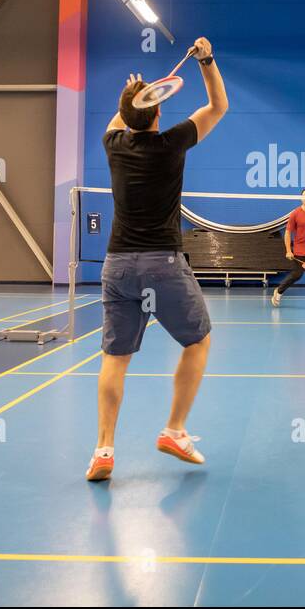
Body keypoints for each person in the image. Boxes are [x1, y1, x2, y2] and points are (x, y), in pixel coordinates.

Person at [87, 36, 227, 483]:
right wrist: (206, 60)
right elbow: (218, 105)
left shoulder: (114, 146)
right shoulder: (173, 143)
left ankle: (104, 451)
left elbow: (121, 118)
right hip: (162, 265)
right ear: (160, 111)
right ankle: (174, 430)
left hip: (116, 267)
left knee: (114, 358)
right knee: (198, 341)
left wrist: (134, 94)